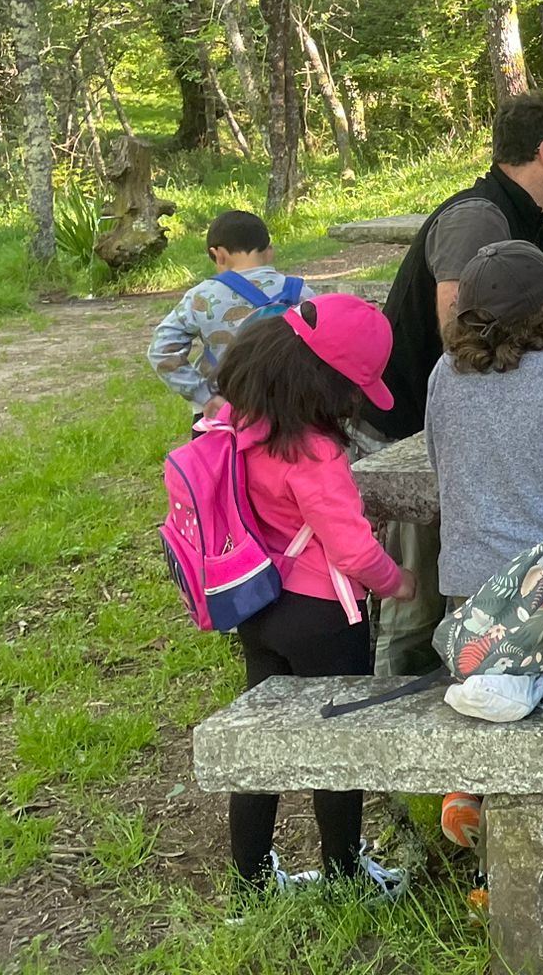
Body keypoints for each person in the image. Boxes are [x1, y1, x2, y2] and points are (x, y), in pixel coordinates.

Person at [364, 92, 543, 678]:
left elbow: (517, 333)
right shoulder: (480, 219)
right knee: (414, 605)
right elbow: (460, 336)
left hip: (464, 432)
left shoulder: (530, 224)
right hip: (410, 430)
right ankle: (394, 708)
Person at [216, 295, 418, 894]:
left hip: (256, 602)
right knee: (338, 740)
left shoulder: (233, 423)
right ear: (326, 384)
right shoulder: (316, 453)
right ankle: (345, 870)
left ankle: (252, 874)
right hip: (324, 616)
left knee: (261, 740)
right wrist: (398, 581)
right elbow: (353, 551)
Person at [425, 241, 543, 853]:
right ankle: (524, 842)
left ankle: (464, 789)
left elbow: (436, 459)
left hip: (466, 580)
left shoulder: (442, 375)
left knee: (485, 677)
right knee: (534, 689)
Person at [149, 210, 305, 417]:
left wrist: (204, 395)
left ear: (218, 255)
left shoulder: (201, 297)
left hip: (224, 411)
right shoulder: (300, 293)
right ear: (269, 251)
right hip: (292, 411)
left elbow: (160, 350)